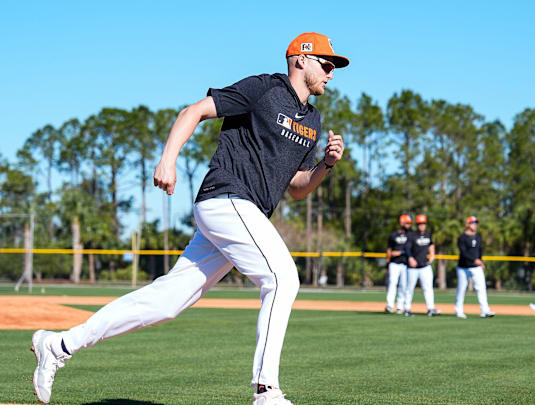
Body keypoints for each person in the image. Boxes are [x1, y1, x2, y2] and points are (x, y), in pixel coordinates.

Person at [30, 32, 349, 405]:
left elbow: (295, 187)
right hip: (227, 199)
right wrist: (168, 158)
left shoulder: (312, 118)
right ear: (300, 60)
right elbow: (193, 112)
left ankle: (58, 344)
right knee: (282, 278)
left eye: (333, 67)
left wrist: (325, 165)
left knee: (167, 302)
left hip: (246, 215)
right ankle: (266, 391)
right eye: (326, 64)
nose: (331, 73)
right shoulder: (265, 89)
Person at [455, 216, 495, 319]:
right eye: (472, 223)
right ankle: (459, 311)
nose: (475, 225)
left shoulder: (478, 236)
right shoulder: (462, 237)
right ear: (467, 224)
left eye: (476, 223)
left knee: (481, 288)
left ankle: (485, 311)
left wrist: (480, 261)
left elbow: (479, 250)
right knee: (462, 289)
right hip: (463, 267)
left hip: (476, 266)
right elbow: (463, 253)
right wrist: (474, 260)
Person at [404, 214, 439, 316]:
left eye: (423, 223)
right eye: (420, 224)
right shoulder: (412, 235)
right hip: (413, 268)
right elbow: (407, 248)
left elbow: (431, 244)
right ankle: (407, 309)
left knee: (428, 288)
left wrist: (432, 254)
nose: (422, 226)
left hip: (425, 266)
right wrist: (410, 258)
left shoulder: (428, 234)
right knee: (410, 288)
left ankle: (430, 309)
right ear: (417, 225)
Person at [385, 214, 412, 314]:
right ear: (401, 223)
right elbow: (389, 250)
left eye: (409, 223)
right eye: (407, 223)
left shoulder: (411, 235)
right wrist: (387, 263)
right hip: (394, 263)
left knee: (403, 285)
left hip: (405, 264)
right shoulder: (393, 235)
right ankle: (390, 305)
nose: (409, 225)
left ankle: (400, 306)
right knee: (392, 283)